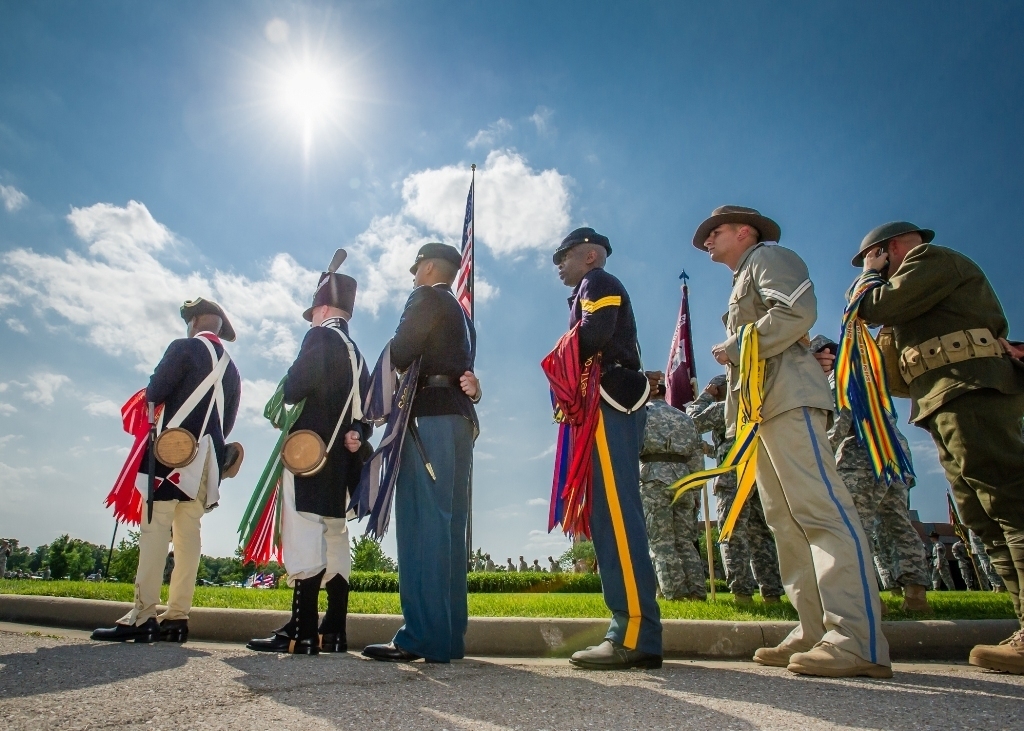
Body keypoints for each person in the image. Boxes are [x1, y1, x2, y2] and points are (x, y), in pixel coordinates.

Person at [695, 205, 890, 678]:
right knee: (785, 522)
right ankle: (813, 628)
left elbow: (798, 310)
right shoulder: (744, 273)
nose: (706, 242)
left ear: (744, 232)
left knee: (820, 511)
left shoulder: (768, 257)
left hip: (789, 397)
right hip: (760, 409)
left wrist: (737, 346)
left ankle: (856, 638)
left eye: (714, 232)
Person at [852, 221, 1024, 673]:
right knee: (980, 517)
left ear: (888, 249)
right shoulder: (924, 278)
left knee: (1008, 501)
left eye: (874, 259)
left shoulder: (930, 260)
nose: (874, 269)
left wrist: (870, 276)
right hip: (943, 397)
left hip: (970, 388)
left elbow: (873, 307)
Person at [92, 298, 241, 644]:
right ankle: (177, 617)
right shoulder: (231, 369)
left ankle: (143, 615)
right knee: (188, 533)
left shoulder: (183, 348)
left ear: (193, 323)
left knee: (157, 526)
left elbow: (156, 392)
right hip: (207, 460)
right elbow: (228, 421)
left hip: (173, 453)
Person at [362, 243, 480, 664]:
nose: (413, 278)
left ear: (428, 268)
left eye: (415, 270)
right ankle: (447, 638)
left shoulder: (425, 297)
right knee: (448, 530)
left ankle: (420, 637)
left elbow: (402, 348)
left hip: (427, 418)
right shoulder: (463, 315)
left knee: (421, 526)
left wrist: (364, 401)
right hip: (458, 421)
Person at [551, 227, 662, 670]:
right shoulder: (587, 285)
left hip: (610, 397)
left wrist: (555, 358)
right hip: (602, 401)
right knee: (606, 515)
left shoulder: (597, 283)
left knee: (617, 515)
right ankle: (630, 627)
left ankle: (635, 632)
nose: (559, 264)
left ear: (590, 256)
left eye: (565, 256)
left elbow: (594, 335)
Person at [248, 266, 371, 655]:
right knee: (335, 539)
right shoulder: (359, 355)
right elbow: (366, 415)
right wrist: (358, 435)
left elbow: (296, 386)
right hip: (342, 464)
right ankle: (333, 630)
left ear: (321, 309)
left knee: (303, 534)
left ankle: (302, 631)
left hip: (309, 455)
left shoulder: (318, 336)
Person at [811, 334, 932, 613]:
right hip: (895, 458)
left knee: (855, 527)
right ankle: (916, 596)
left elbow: (838, 425)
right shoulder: (866, 378)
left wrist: (814, 457)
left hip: (861, 462)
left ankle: (866, 598)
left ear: (826, 356)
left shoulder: (837, 380)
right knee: (898, 524)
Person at [687, 375, 784, 604]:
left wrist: (705, 397)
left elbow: (692, 421)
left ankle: (742, 594)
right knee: (761, 535)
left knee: (732, 533)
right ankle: (771, 594)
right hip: (760, 472)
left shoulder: (724, 406)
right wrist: (711, 451)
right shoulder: (757, 405)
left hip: (733, 477)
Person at [639, 370, 707, 601]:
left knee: (661, 541)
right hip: (684, 479)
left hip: (653, 477)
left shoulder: (642, 415)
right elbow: (697, 455)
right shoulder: (685, 418)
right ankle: (697, 592)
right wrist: (696, 488)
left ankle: (674, 594)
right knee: (686, 540)